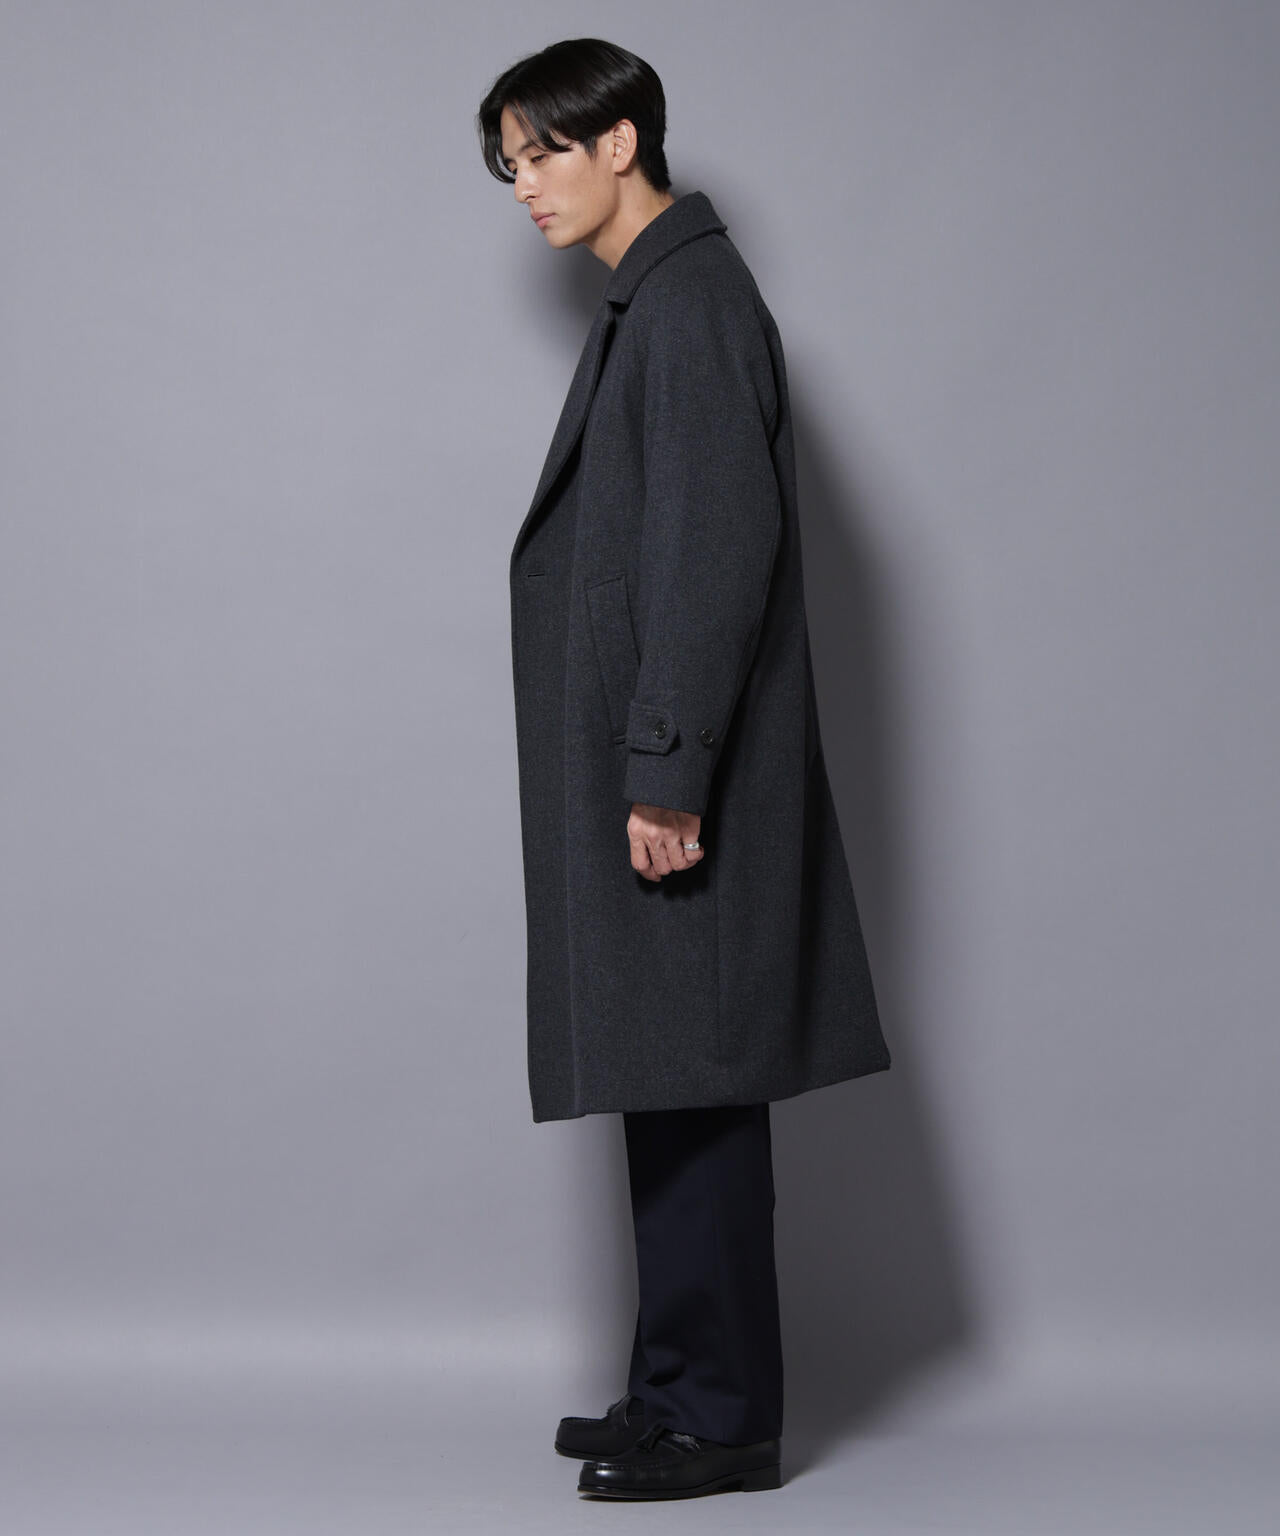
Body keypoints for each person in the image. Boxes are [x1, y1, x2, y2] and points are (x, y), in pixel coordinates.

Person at [475, 37, 891, 1501]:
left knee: (698, 1076)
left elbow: (714, 559)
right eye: (508, 165)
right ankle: (672, 1384)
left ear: (622, 140)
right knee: (669, 1071)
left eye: (542, 152)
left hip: (677, 769)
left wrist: (665, 771)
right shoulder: (654, 300)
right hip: (655, 754)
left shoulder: (693, 304)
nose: (525, 186)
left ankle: (722, 1418)